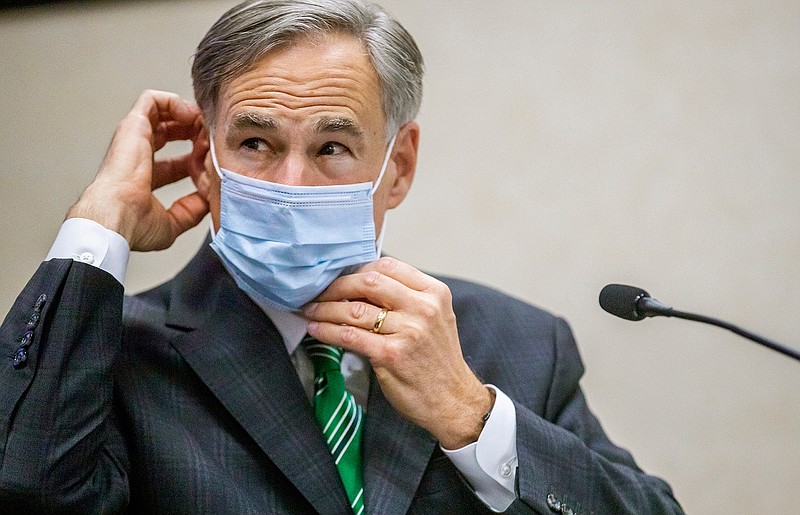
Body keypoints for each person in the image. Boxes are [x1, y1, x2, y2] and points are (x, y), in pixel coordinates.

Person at [0, 0, 683, 513]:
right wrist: (100, 220)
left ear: (399, 165)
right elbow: (27, 486)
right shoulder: (113, 352)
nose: (291, 185)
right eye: (256, 145)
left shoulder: (518, 341)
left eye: (331, 148)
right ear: (206, 162)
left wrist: (472, 417)